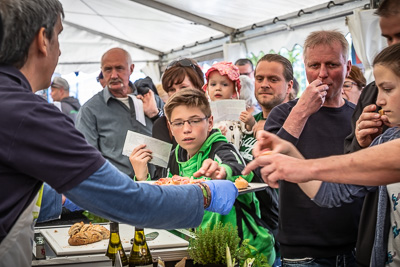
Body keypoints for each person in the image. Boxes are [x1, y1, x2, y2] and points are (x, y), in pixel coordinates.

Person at [0, 1, 238, 266]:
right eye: (58, 35)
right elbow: (130, 201)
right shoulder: (30, 115)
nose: (60, 49)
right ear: (42, 40)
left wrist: (63, 196)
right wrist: (205, 194)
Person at [245, 43, 400, 267]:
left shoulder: (373, 129)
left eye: (387, 88)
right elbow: (335, 190)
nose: (380, 101)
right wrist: (290, 152)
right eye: (314, 65)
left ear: (347, 67)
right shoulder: (386, 137)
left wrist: (304, 166)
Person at [130, 88, 276, 265]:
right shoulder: (174, 158)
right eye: (178, 123)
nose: (186, 129)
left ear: (210, 121)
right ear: (170, 126)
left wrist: (221, 173)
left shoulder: (222, 149)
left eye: (195, 120)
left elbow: (235, 168)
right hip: (202, 252)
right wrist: (142, 176)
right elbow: (160, 203)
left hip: (247, 254)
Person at [263, 30, 363, 266]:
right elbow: (268, 167)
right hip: (303, 253)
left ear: (348, 67)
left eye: (331, 64)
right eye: (314, 65)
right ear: (304, 67)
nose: (322, 73)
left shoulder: (356, 117)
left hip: (356, 248)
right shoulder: (284, 113)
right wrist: (301, 112)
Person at [75, 47, 163, 178]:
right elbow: (87, 159)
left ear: (131, 69)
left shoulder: (152, 100)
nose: (114, 75)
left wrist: (156, 114)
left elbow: (175, 141)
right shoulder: (90, 110)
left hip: (158, 184)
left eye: (119, 68)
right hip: (119, 189)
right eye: (108, 69)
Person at [344, 0, 400, 153]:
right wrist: (362, 143)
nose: (394, 45)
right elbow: (351, 160)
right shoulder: (371, 92)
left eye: (388, 89)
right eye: (389, 38)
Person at [239, 54, 293, 163]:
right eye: (259, 79)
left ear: (289, 86)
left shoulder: (295, 123)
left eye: (273, 80)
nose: (264, 85)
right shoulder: (248, 122)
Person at [203, 61, 252, 150]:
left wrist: (250, 122)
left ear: (234, 89)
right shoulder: (203, 111)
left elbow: (247, 130)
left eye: (224, 84)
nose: (218, 88)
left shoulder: (238, 109)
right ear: (207, 88)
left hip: (236, 157)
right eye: (213, 84)